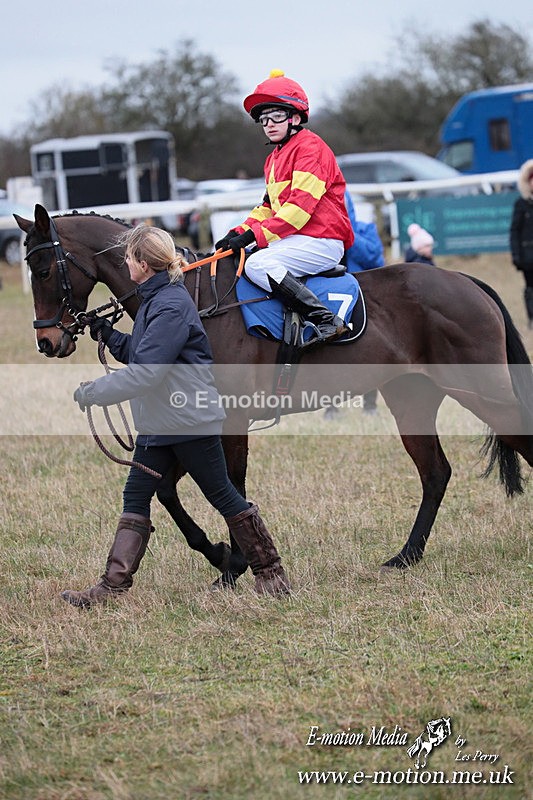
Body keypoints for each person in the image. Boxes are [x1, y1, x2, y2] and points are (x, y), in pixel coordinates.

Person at [61, 225, 290, 607]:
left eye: (131, 257)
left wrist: (94, 392)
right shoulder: (157, 298)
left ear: (144, 264)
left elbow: (148, 371)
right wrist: (108, 334)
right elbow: (144, 351)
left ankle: (271, 573)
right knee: (135, 495)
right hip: (161, 422)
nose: (126, 263)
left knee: (223, 496)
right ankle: (111, 587)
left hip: (187, 421)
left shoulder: (170, 304)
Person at [215, 70, 354, 347]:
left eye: (276, 115)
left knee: (257, 262)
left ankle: (324, 318)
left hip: (322, 240)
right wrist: (237, 232)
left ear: (296, 117)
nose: (268, 123)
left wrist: (253, 237)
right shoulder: (274, 158)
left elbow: (298, 210)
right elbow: (268, 207)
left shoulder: (311, 148)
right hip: (298, 239)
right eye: (263, 119)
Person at [510, 159, 533, 329]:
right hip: (528, 256)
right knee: (530, 288)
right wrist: (517, 255)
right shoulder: (521, 204)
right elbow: (515, 231)